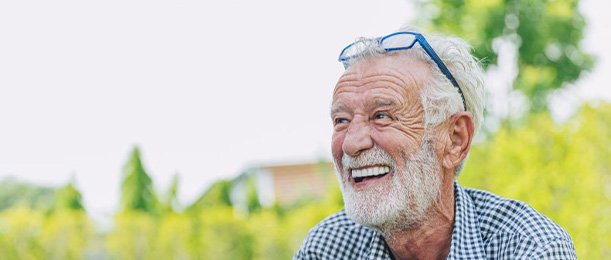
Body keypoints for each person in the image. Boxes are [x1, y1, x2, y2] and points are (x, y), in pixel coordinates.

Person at [294, 27, 576, 259]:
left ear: (455, 139)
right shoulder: (328, 247)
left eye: (381, 116)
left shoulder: (529, 247)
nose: (351, 144)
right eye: (341, 120)